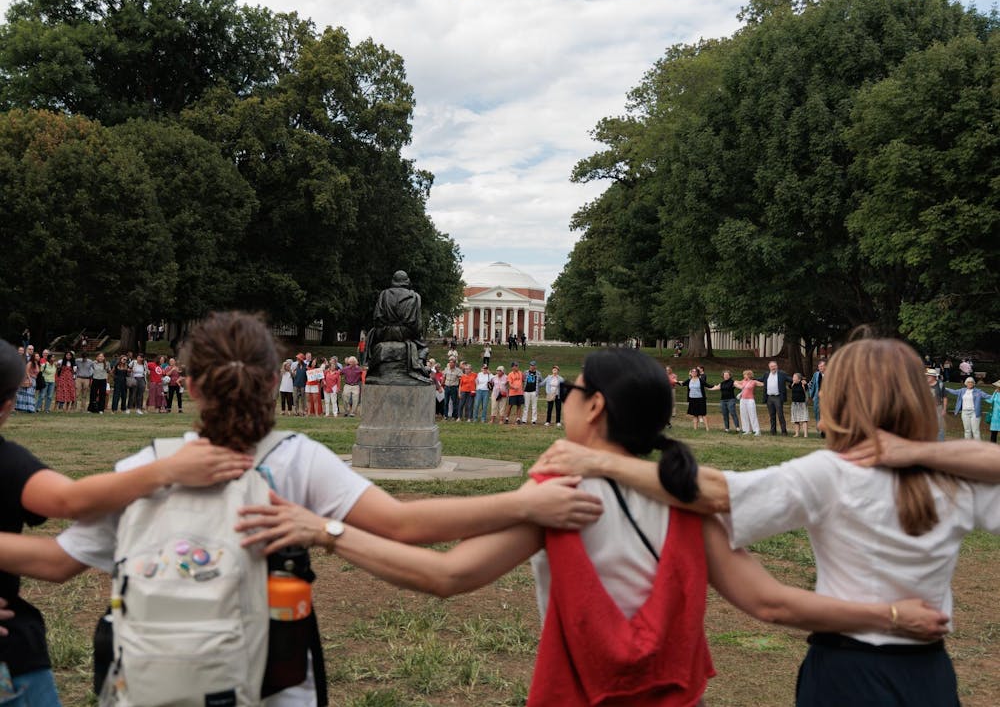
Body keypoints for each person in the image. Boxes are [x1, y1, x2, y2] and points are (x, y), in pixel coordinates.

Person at [238, 348, 949, 706]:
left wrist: (324, 529)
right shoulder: (685, 497)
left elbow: (447, 576)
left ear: (595, 407)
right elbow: (768, 603)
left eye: (573, 389)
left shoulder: (559, 495)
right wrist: (887, 614)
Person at [0, 313, 601, 706]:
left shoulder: (144, 469)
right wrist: (524, 501)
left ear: (192, 384)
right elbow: (405, 525)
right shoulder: (295, 461)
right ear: (272, 382)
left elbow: (55, 562)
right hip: (275, 679)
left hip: (157, 679)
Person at [534, 337, 1000, 706]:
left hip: (847, 671)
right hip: (929, 670)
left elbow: (716, 494)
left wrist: (605, 463)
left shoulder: (831, 474)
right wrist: (927, 453)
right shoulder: (956, 480)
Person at [0, 338, 250, 706]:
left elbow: (58, 558)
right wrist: (167, 468)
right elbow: (70, 501)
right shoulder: (7, 462)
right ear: (7, 406)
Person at [757, 360, 790, 435]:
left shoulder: (782, 374)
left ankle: (784, 431)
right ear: (769, 367)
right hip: (769, 398)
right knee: (772, 415)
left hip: (778, 397)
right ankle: (773, 431)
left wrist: (799, 381)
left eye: (774, 366)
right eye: (771, 366)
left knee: (780, 415)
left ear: (777, 366)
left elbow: (790, 379)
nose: (773, 368)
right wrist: (751, 379)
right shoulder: (766, 374)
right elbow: (760, 379)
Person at [736, 370, 763, 436]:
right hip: (742, 400)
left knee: (752, 415)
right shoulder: (743, 381)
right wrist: (737, 383)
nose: (744, 376)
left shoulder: (753, 382)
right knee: (743, 415)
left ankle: (757, 431)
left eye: (745, 374)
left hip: (750, 400)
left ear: (749, 375)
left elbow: (762, 384)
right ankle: (746, 430)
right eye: (744, 375)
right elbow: (735, 382)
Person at [927, 367, 948, 441]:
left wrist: (944, 409)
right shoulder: (924, 384)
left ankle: (940, 442)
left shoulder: (940, 384)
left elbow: (945, 397)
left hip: (938, 408)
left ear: (934, 376)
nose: (927, 376)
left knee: (940, 426)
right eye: (927, 375)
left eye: (929, 375)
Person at [789, 373, 809, 438]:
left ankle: (805, 435)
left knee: (804, 419)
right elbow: (789, 387)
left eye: (794, 377)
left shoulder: (803, 384)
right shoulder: (793, 384)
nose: (793, 378)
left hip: (802, 404)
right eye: (793, 377)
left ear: (799, 379)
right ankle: (797, 434)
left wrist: (805, 384)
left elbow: (806, 389)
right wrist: (792, 383)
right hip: (794, 404)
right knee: (796, 420)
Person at [807, 359, 825, 431]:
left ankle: (825, 429)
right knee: (817, 412)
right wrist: (812, 395)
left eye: (822, 366)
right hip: (817, 396)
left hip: (827, 397)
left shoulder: (830, 374)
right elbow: (811, 384)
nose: (820, 368)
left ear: (825, 367)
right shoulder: (816, 374)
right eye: (819, 367)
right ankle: (819, 427)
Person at [505, 361, 525, 425]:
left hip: (520, 393)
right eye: (515, 366)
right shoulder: (510, 374)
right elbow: (509, 384)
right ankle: (507, 419)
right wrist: (513, 387)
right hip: (512, 393)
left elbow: (523, 380)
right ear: (512, 367)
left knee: (519, 406)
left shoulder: (520, 373)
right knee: (510, 406)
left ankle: (518, 419)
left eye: (517, 366)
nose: (517, 367)